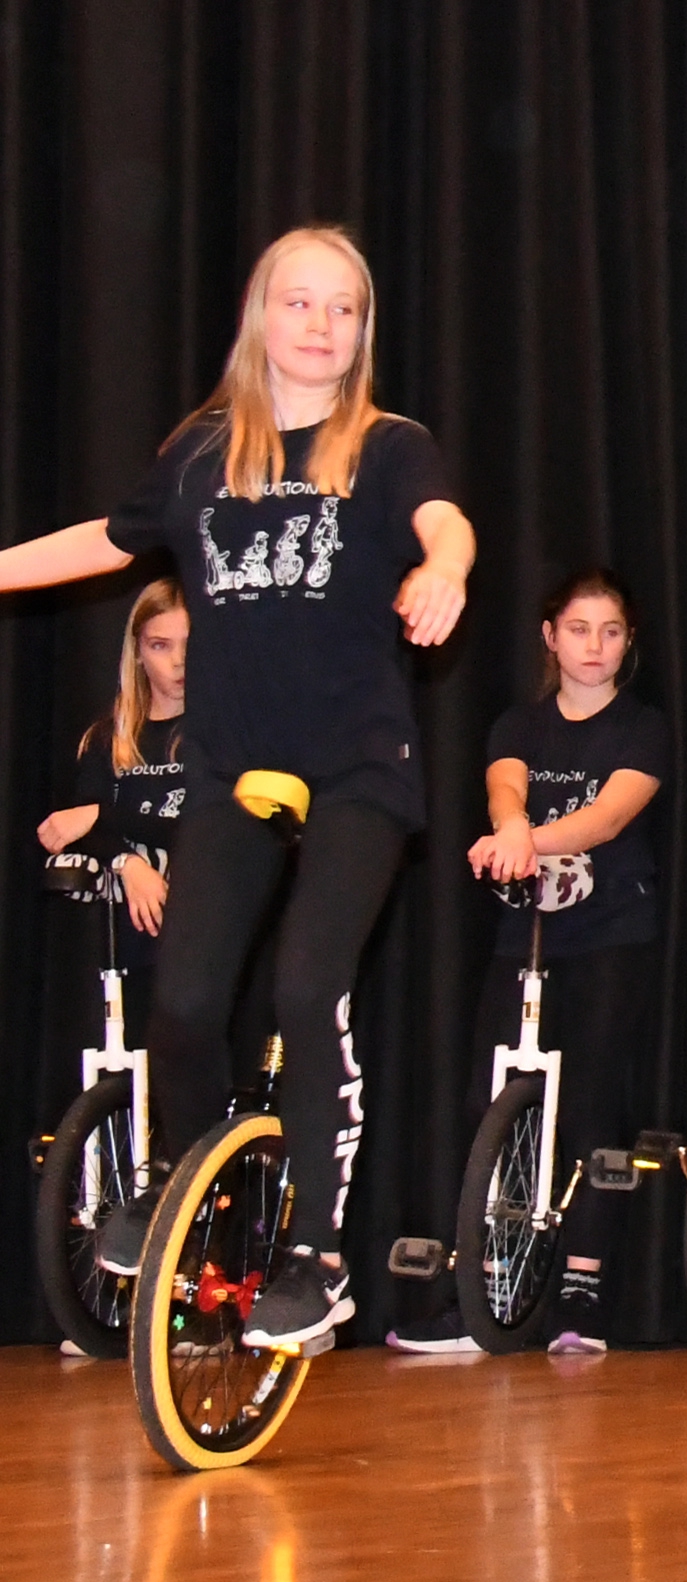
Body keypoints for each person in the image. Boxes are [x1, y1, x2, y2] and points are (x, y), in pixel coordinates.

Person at [0, 224, 472, 1350]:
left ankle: (317, 1257)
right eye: (300, 302)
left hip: (356, 767)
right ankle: (183, 1183)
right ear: (262, 316)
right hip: (227, 764)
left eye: (343, 309)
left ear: (362, 332)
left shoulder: (388, 447)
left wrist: (446, 568)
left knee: (306, 989)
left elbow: (442, 521)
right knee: (186, 999)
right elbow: (113, 539)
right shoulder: (202, 452)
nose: (320, 325)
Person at [391, 570, 672, 1356]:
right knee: (492, 1104)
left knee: (588, 1107)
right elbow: (504, 790)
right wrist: (511, 828)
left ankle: (582, 1291)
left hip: (610, 934)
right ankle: (481, 1291)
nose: (594, 646)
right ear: (550, 637)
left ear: (628, 642)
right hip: (526, 937)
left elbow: (607, 817)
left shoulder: (643, 728)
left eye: (611, 631)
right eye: (578, 629)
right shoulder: (519, 723)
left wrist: (522, 841)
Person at [36, 580, 191, 970]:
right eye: (161, 645)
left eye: (189, 644)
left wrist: (101, 816)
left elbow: (204, 828)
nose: (179, 661)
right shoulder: (109, 738)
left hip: (208, 941)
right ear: (137, 652)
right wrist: (128, 863)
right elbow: (78, 829)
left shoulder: (223, 737)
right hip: (129, 948)